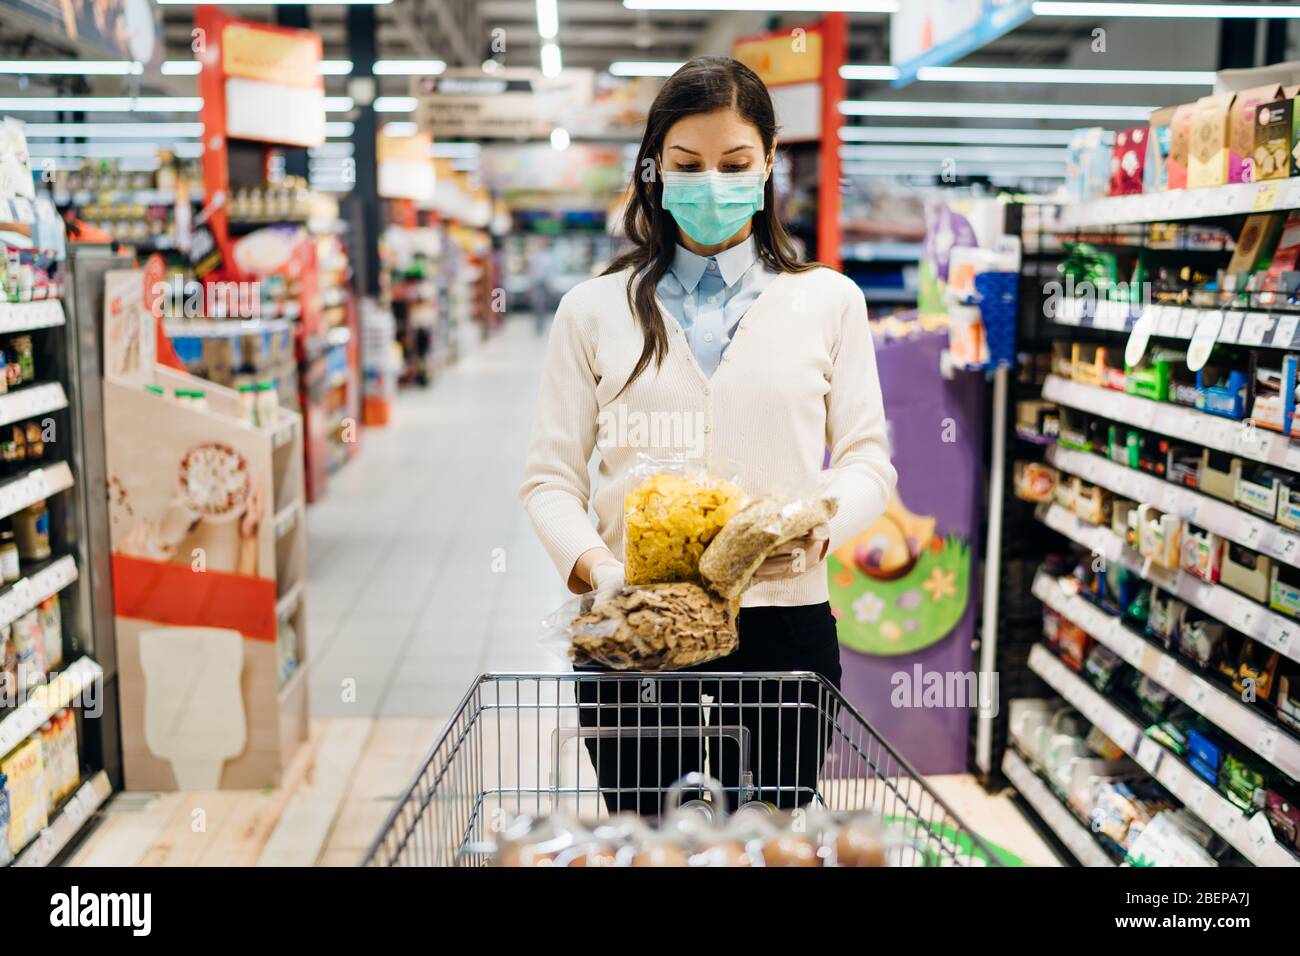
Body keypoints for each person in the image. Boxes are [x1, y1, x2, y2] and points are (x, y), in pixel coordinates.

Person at [519, 56, 896, 815]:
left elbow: (866, 461)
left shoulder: (827, 301)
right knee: (650, 834)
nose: (713, 183)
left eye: (735, 163)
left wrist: (817, 529)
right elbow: (550, 479)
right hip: (635, 629)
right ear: (655, 170)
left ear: (767, 167)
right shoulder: (593, 311)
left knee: (771, 835)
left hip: (784, 619)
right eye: (688, 164)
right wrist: (601, 572)